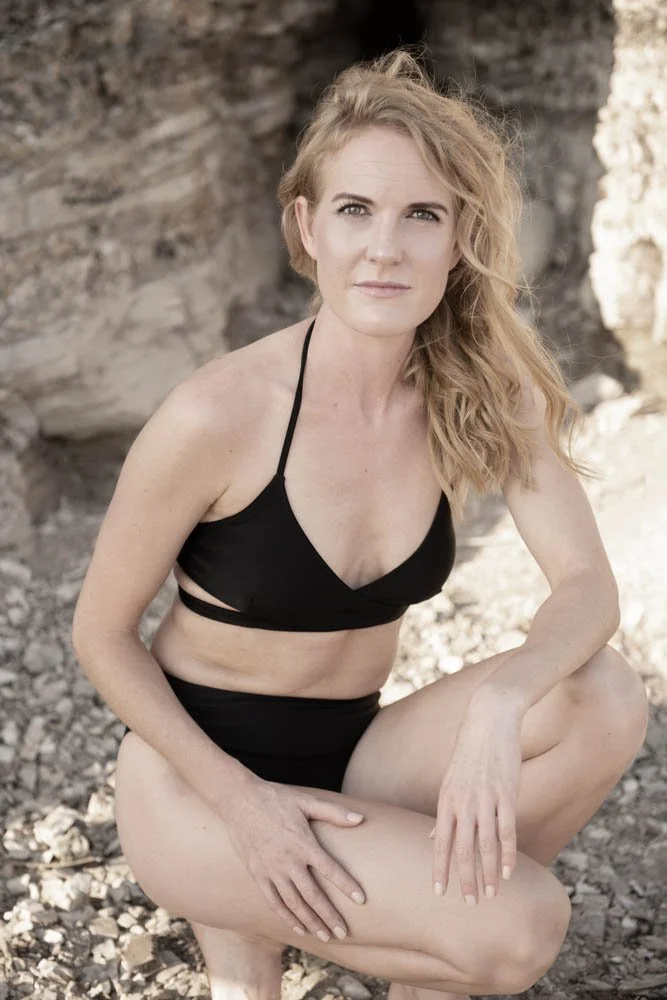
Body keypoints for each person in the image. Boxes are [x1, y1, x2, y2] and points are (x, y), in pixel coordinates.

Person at [71, 47, 648, 1000]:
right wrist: (244, 808)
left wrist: (502, 706)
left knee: (604, 698)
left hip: (355, 753)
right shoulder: (217, 415)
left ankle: (417, 933)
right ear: (306, 227)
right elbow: (99, 633)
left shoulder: (475, 390)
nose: (385, 248)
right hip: (196, 783)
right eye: (355, 211)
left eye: (421, 215)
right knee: (525, 925)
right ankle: (273, 914)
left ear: (459, 236)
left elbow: (588, 590)